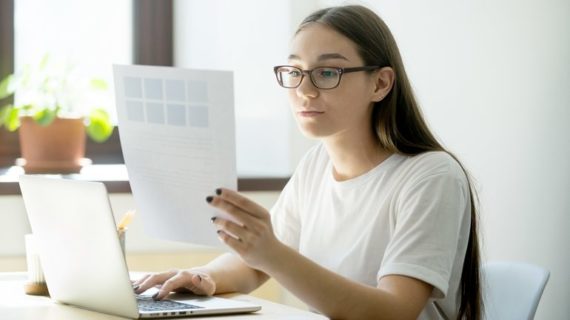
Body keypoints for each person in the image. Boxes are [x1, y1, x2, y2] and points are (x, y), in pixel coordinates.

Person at [133, 5, 482, 320]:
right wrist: (200, 278)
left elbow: (393, 311)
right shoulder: (316, 164)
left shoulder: (432, 176)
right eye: (295, 71)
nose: (305, 90)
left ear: (381, 83)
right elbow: (253, 265)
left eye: (328, 73)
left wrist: (271, 254)